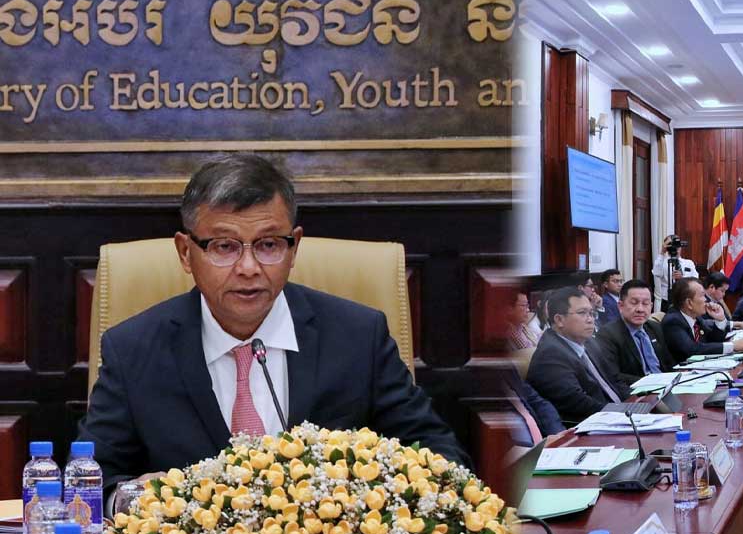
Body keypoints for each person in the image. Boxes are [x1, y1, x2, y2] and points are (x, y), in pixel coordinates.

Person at [77, 155, 467, 503]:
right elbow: (88, 482)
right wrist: (133, 500)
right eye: (224, 246)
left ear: (293, 247)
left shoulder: (358, 337)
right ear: (185, 252)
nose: (248, 268)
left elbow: (440, 457)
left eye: (267, 245)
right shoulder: (132, 350)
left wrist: (366, 494)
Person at [525, 288, 626, 424]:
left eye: (591, 313)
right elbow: (579, 403)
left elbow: (615, 379)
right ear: (559, 320)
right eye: (582, 313)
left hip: (618, 413)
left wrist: (636, 403)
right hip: (592, 424)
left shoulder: (589, 342)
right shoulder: (550, 355)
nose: (590, 320)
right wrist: (623, 412)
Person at [593, 280, 677, 389]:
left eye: (645, 303)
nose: (640, 309)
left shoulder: (654, 327)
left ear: (651, 306)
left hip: (667, 387)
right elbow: (614, 376)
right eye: (634, 303)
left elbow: (669, 363)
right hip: (640, 391)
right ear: (620, 306)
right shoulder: (608, 335)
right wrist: (651, 382)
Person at [661, 278, 743, 364]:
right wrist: (732, 346)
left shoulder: (696, 318)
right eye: (702, 295)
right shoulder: (673, 321)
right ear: (689, 303)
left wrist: (720, 320)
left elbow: (713, 341)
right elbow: (692, 350)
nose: (705, 299)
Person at [652, 236, 699, 312]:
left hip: (685, 299)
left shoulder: (688, 263)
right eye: (671, 244)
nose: (675, 248)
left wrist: (683, 278)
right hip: (667, 300)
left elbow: (696, 280)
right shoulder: (662, 262)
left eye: (677, 245)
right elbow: (657, 273)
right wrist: (662, 253)